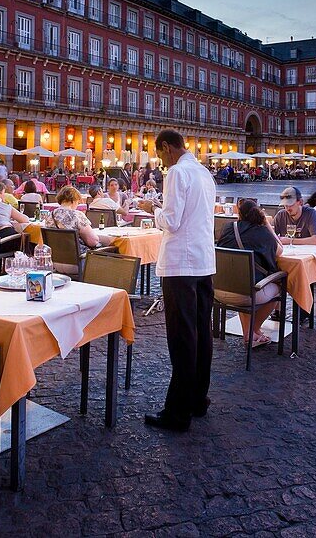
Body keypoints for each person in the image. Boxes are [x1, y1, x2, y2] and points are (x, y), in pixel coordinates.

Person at [137, 129, 215, 432]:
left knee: (182, 338)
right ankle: (197, 399)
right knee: (201, 334)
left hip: (180, 263)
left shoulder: (176, 174)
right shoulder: (204, 174)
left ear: (167, 148)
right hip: (204, 262)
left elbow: (171, 221)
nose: (160, 161)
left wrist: (151, 208)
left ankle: (177, 413)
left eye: (159, 154)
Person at [215, 199, 283, 348]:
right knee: (279, 286)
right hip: (246, 295)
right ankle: (252, 331)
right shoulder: (263, 233)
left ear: (239, 214)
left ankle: (249, 334)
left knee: (243, 279)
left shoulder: (228, 228)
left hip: (218, 291)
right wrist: (267, 225)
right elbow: (280, 250)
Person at [50, 185, 100, 254]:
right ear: (73, 200)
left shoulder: (50, 215)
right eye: (77, 202)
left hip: (56, 256)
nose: (77, 205)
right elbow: (93, 241)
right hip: (78, 258)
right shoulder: (77, 215)